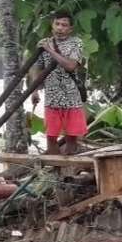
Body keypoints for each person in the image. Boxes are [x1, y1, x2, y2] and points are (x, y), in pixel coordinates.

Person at [30, 10, 86, 155]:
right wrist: (35, 91)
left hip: (71, 98)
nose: (60, 28)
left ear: (70, 28)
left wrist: (49, 50)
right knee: (51, 137)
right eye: (57, 24)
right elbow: (37, 68)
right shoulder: (43, 44)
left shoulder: (76, 43)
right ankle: (55, 169)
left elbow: (71, 65)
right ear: (52, 25)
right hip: (52, 98)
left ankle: (69, 167)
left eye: (64, 25)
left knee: (71, 138)